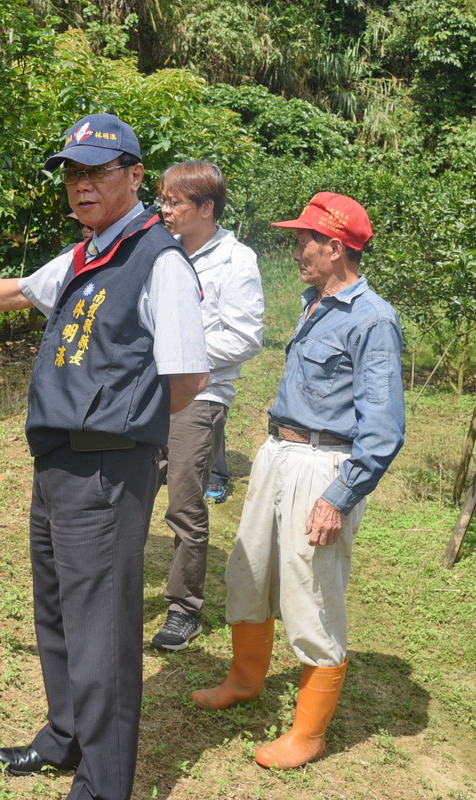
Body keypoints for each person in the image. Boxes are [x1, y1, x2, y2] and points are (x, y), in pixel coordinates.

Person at [0, 113, 209, 800]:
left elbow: (188, 378)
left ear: (135, 176)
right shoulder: (88, 252)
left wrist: (124, 429)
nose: (81, 185)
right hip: (57, 460)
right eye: (73, 173)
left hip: (107, 465)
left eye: (98, 171)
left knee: (104, 627)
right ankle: (65, 735)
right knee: (56, 607)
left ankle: (103, 784)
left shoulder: (159, 259)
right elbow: (20, 290)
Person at [191, 192, 405, 769]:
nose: (295, 251)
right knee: (249, 570)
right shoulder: (315, 302)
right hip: (278, 454)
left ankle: (308, 734)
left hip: (324, 467)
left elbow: (383, 430)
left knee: (311, 591)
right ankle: (244, 679)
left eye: (303, 240)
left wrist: (338, 498)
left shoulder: (373, 319)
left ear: (335, 247)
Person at [149, 160, 264, 651]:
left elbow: (244, 336)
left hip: (199, 395)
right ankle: (119, 584)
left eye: (174, 202)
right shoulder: (161, 252)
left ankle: (184, 607)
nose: (165, 210)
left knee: (184, 502)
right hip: (147, 390)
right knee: (127, 486)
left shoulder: (236, 260)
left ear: (206, 208)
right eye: (164, 200)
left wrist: (176, 353)